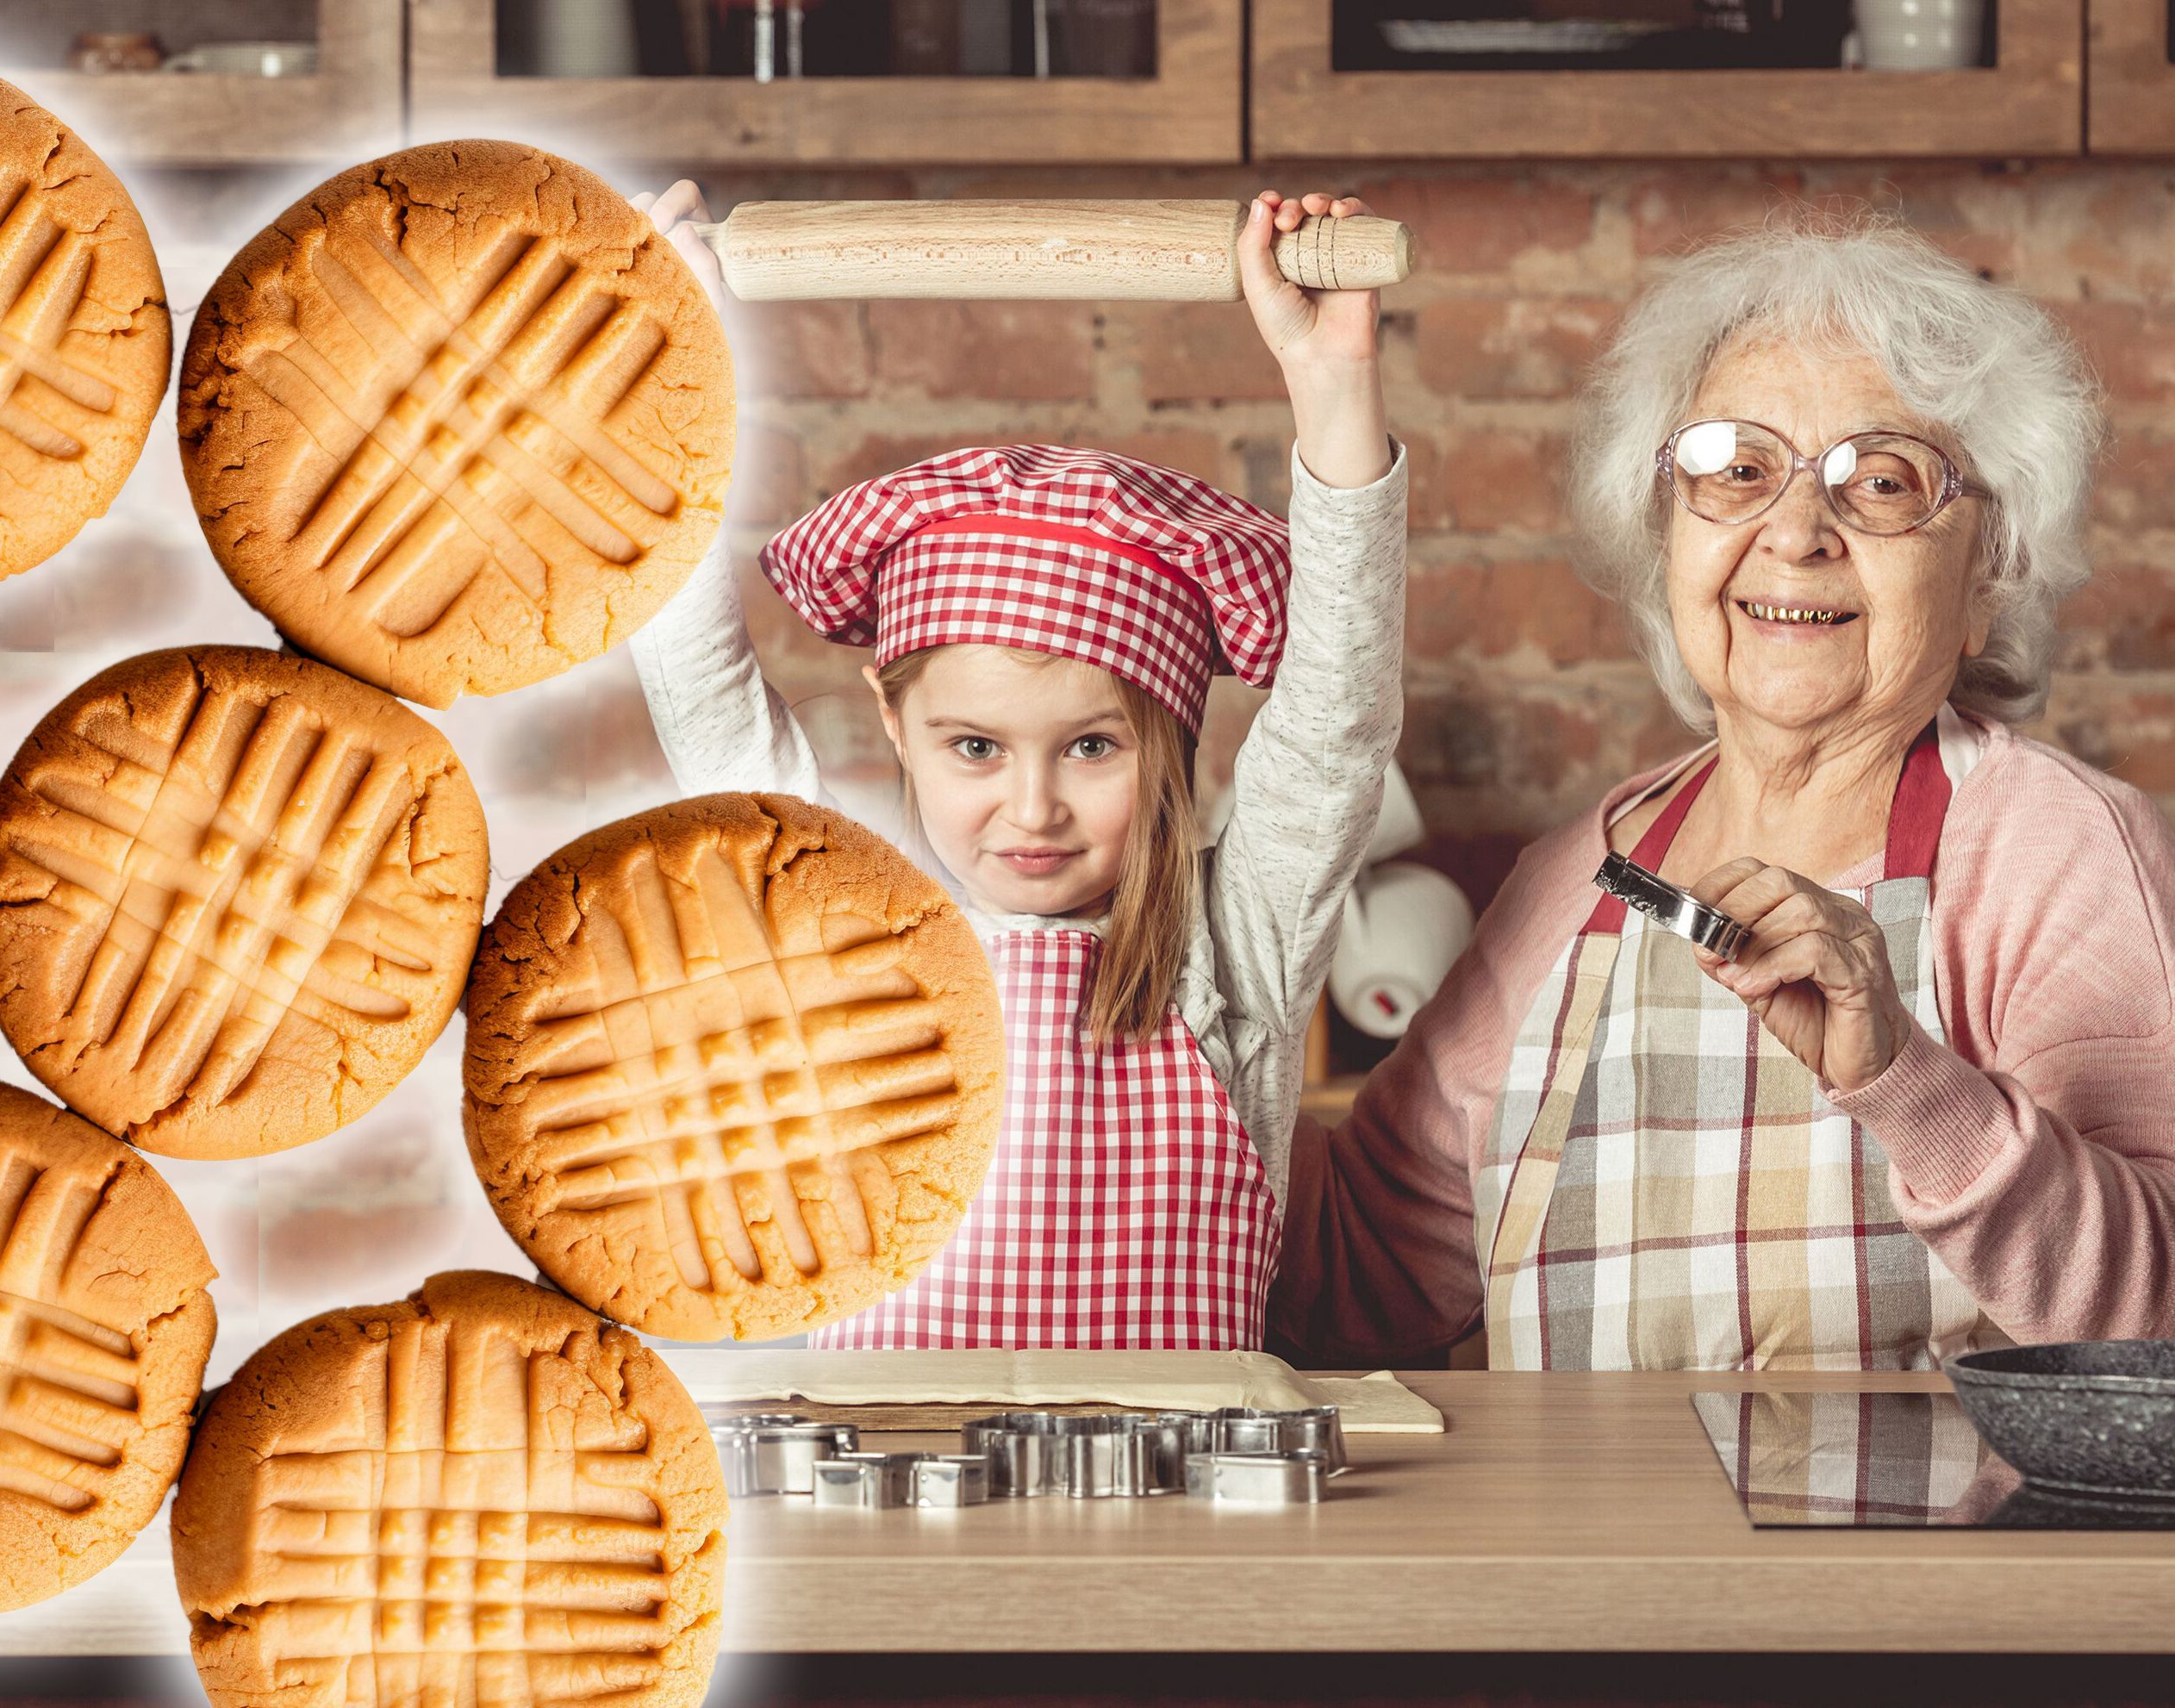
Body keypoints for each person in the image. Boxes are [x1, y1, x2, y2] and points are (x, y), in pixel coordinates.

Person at [1273, 214, 2175, 1371]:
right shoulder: (1579, 880)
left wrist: (1903, 1080)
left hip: (1934, 1505)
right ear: (1668, 539)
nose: (1795, 532)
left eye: (1882, 481)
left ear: (1987, 578)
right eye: (1737, 471)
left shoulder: (2054, 849)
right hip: (1594, 1506)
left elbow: (2154, 1327)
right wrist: (1171, 1003)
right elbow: (1359, 1277)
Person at [625, 181, 1408, 1350]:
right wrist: (669, 365)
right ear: (896, 723)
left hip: (1178, 1474)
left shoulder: (1236, 946)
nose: (1032, 808)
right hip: (891, 1472)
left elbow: (1338, 717)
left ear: (1170, 741)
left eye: (1092, 746)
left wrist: (1333, 377)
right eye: (976, 748)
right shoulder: (828, 921)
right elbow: (705, 697)